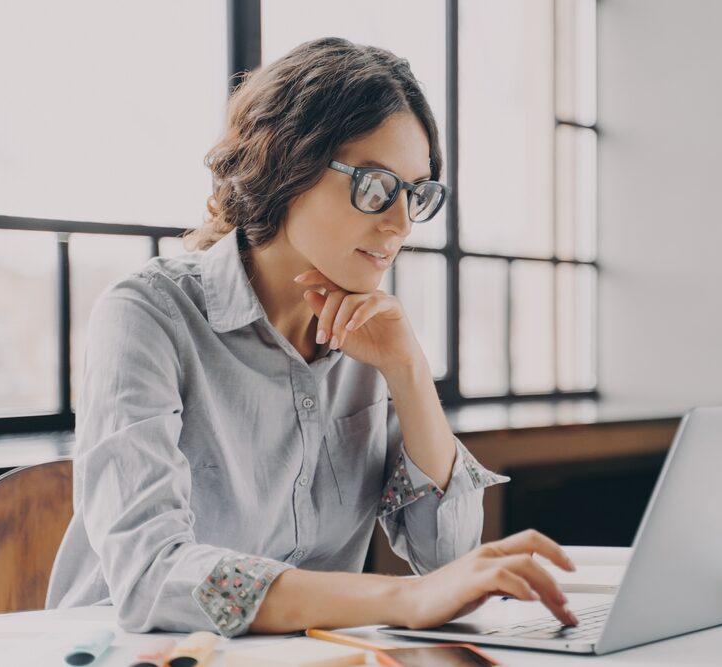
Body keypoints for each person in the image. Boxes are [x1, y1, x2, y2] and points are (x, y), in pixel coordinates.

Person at [46, 37, 579, 637]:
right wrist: (397, 600)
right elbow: (152, 576)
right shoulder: (147, 315)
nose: (401, 223)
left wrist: (408, 371)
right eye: (374, 186)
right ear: (287, 166)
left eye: (417, 193)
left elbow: (447, 561)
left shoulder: (371, 337)